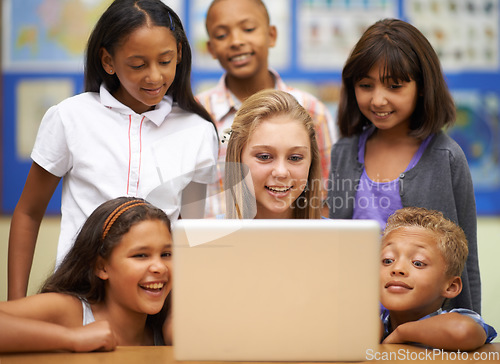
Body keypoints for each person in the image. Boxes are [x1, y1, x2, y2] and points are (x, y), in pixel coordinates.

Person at [8, 0, 218, 300]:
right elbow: (28, 213)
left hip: (153, 303)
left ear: (180, 55)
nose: (155, 76)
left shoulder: (197, 131)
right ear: (108, 61)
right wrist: (17, 306)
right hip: (78, 296)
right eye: (138, 64)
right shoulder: (70, 117)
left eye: (165, 61)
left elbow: (189, 233)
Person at [327, 18, 480, 313]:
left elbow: (465, 259)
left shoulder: (446, 157)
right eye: (365, 85)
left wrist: (467, 329)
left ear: (422, 86)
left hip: (425, 324)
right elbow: (335, 244)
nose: (378, 99)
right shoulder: (344, 152)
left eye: (395, 86)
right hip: (353, 315)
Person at [197, 0, 337, 217]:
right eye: (222, 35)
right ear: (211, 48)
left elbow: (325, 195)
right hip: (218, 245)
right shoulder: (196, 115)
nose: (236, 41)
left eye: (249, 29)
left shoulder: (312, 110)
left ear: (272, 35)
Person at [0, 197, 173, 352]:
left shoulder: (166, 326)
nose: (160, 267)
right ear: (101, 267)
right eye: (140, 255)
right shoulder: (70, 310)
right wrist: (72, 338)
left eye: (166, 254)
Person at [380, 207, 496, 351]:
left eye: (418, 263)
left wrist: (401, 333)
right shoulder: (377, 324)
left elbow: (462, 330)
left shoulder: (459, 318)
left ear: (451, 286)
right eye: (387, 260)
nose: (397, 269)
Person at [224, 89, 322, 219]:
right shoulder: (207, 236)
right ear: (238, 159)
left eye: (295, 158)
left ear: (311, 162)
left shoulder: (338, 238)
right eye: (264, 157)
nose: (281, 172)